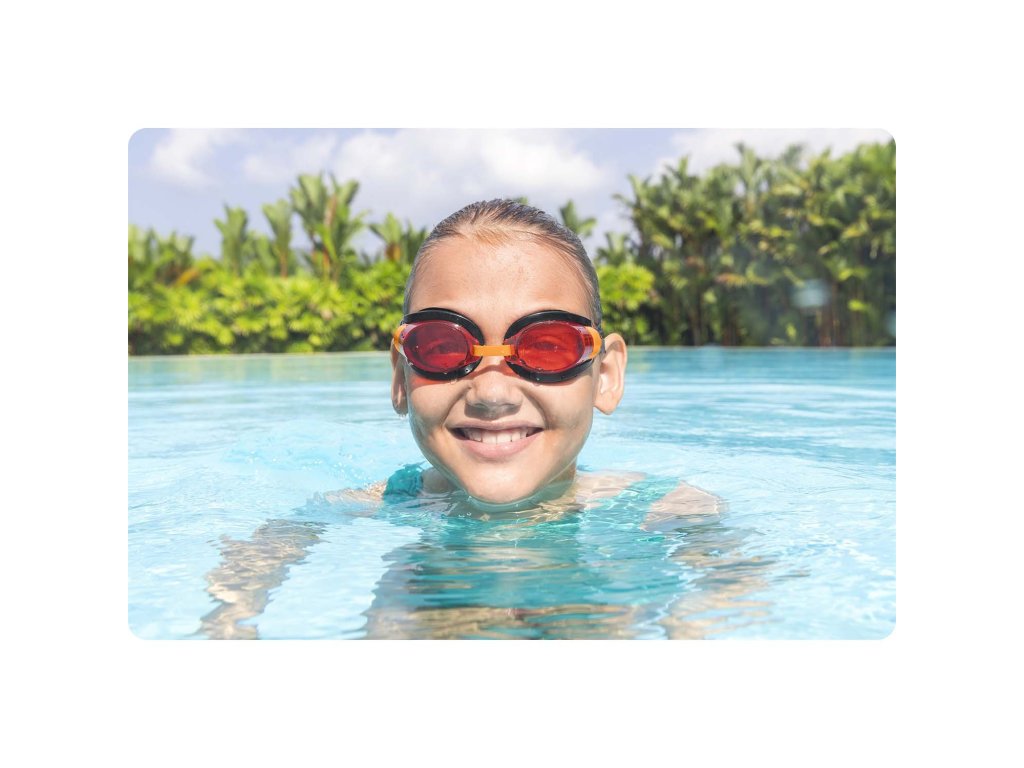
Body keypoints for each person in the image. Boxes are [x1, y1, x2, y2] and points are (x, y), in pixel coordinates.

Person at [198, 199, 739, 640]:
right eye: (442, 346)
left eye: (547, 345)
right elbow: (264, 551)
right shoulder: (385, 501)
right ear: (400, 376)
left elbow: (734, 590)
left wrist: (694, 626)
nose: (492, 393)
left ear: (606, 376)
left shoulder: (668, 509)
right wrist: (231, 618)